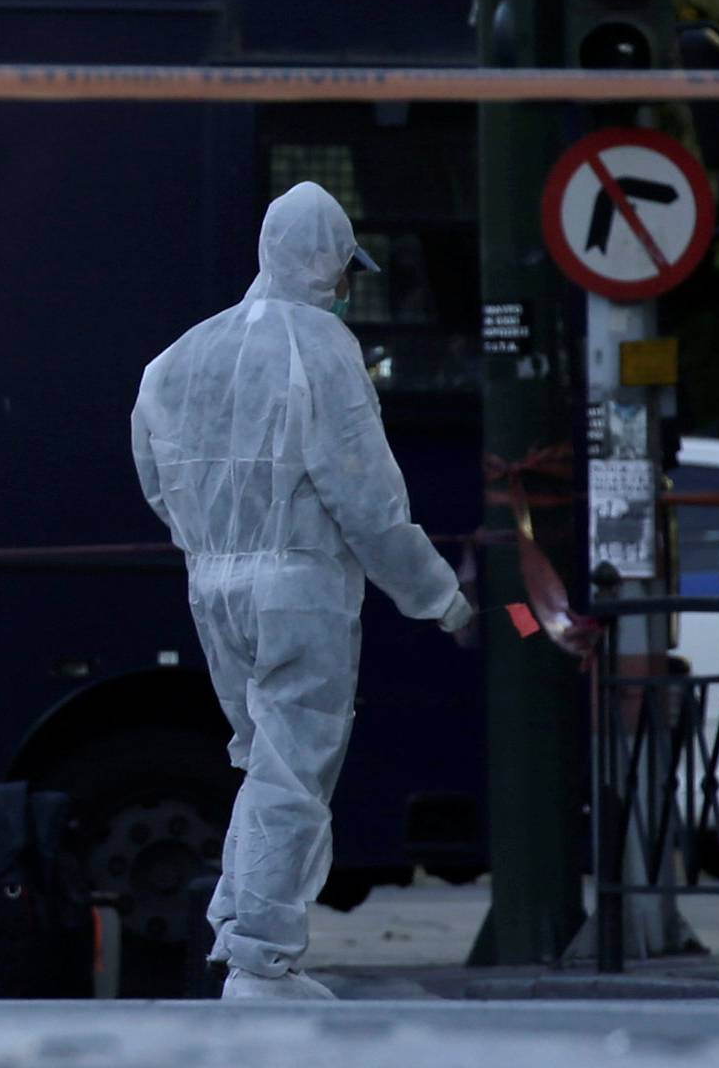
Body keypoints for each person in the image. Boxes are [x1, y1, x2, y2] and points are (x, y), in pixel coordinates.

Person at [131, 181, 473, 1001]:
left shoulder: (181, 356)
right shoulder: (322, 347)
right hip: (300, 586)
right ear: (325, 262)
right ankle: (259, 956)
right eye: (346, 268)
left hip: (213, 587)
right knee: (293, 770)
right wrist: (439, 596)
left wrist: (208, 547)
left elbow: (156, 475)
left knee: (261, 759)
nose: (350, 287)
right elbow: (366, 499)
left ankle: (240, 927)